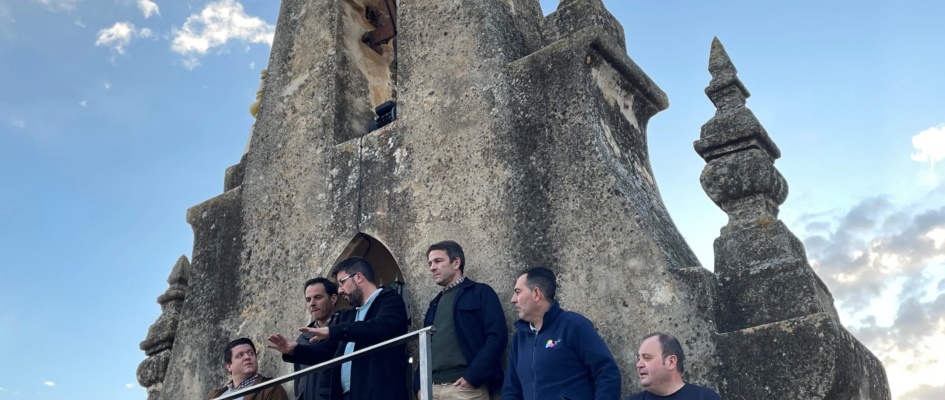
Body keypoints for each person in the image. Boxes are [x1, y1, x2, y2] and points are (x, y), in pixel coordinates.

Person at [267, 257, 409, 400]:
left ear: (358, 277)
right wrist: (294, 350)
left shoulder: (389, 300)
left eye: (342, 282)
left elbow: (380, 327)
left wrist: (332, 331)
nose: (340, 290)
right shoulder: (349, 317)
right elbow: (326, 352)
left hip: (380, 393)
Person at [503, 267, 621, 400]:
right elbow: (511, 391)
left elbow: (607, 373)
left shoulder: (574, 326)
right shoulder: (519, 339)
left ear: (536, 293)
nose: (513, 299)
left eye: (518, 292)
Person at [412, 240, 508, 399]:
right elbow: (425, 347)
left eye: (438, 261)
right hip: (432, 390)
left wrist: (473, 376)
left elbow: (497, 336)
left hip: (465, 389)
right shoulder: (434, 304)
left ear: (456, 262)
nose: (432, 267)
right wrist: (418, 386)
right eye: (430, 263)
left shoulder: (481, 292)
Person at [281, 277, 351, 400]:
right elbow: (299, 381)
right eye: (308, 300)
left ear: (333, 298)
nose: (312, 303)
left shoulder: (345, 328)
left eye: (318, 297)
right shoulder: (302, 339)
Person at [626, 333, 721, 400]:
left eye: (647, 357)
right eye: (638, 359)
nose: (639, 365)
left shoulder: (705, 397)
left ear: (671, 362)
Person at [207, 337, 289, 400]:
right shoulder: (215, 396)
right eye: (239, 355)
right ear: (229, 366)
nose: (247, 357)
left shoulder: (270, 388)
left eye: (250, 353)